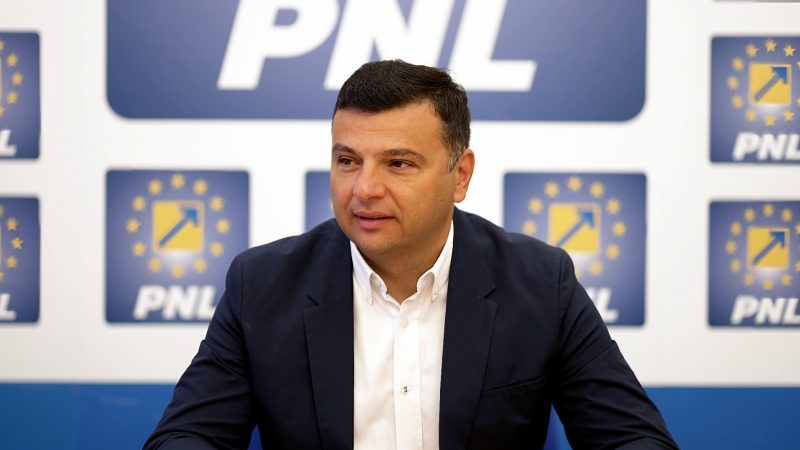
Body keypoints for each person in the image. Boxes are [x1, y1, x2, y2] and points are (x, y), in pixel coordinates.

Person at [145, 60, 677, 450]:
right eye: (347, 160)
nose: (364, 189)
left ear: (460, 175)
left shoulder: (540, 283)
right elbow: (189, 435)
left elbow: (630, 437)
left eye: (398, 164)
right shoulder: (262, 285)